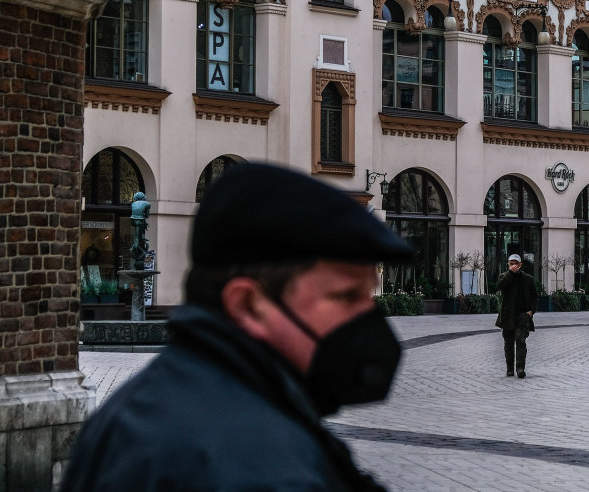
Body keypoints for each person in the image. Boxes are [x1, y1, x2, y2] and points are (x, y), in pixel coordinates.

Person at [62, 162, 414, 491]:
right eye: (346, 296)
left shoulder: (137, 412)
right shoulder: (262, 467)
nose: (369, 315)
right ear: (247, 303)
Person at [495, 254, 538, 379]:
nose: (513, 265)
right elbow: (500, 286)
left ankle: (520, 368)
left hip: (522, 315)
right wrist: (510, 273)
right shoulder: (504, 276)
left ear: (520, 264)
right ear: (508, 264)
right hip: (508, 315)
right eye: (511, 263)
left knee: (521, 341)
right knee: (508, 344)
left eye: (515, 263)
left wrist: (531, 312)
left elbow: (534, 297)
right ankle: (509, 369)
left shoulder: (528, 279)